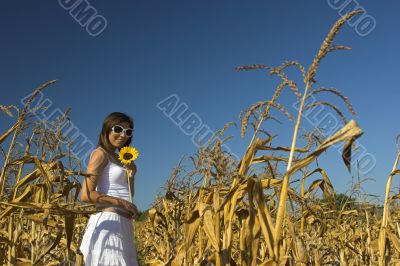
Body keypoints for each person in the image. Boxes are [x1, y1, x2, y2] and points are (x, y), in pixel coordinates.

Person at [79, 112, 139, 265]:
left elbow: (129, 195)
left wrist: (131, 176)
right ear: (107, 130)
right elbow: (85, 195)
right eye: (118, 129)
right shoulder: (100, 154)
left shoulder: (120, 161)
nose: (123, 135)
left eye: (128, 132)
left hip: (123, 224)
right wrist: (122, 203)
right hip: (108, 223)